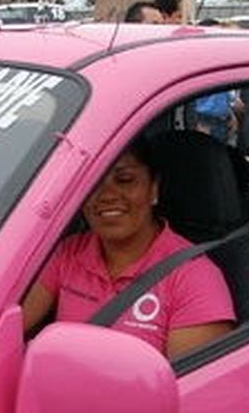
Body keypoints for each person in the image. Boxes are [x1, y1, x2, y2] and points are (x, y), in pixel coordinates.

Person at [22, 138, 235, 359]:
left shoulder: (194, 278)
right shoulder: (68, 253)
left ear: (154, 189)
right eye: (92, 183)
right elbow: (1, 325)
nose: (106, 195)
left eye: (124, 179)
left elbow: (191, 387)